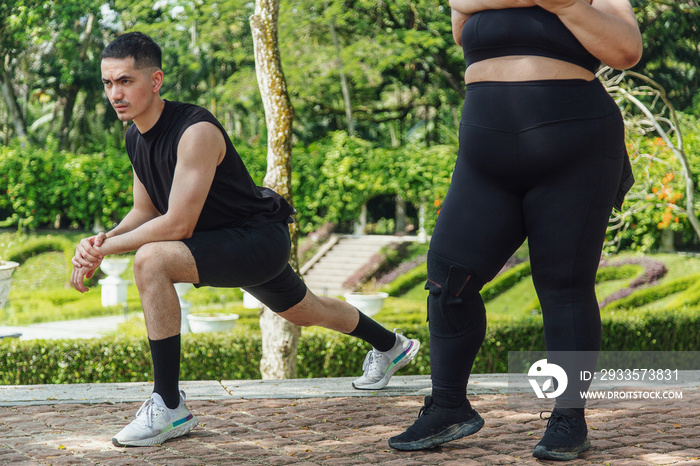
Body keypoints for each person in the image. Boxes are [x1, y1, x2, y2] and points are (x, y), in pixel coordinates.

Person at [70, 32, 420, 448]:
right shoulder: (135, 137)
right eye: (108, 83)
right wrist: (99, 241)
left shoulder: (195, 130)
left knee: (151, 260)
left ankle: (168, 405)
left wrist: (107, 249)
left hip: (256, 239)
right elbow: (145, 211)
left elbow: (177, 224)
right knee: (307, 312)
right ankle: (392, 345)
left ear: (156, 80)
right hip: (219, 244)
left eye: (125, 80)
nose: (115, 93)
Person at [387, 0, 642, 461]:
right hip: (486, 146)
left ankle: (569, 418)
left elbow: (626, 50)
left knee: (563, 287)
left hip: (575, 141)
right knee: (449, 278)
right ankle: (449, 406)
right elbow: (461, 22)